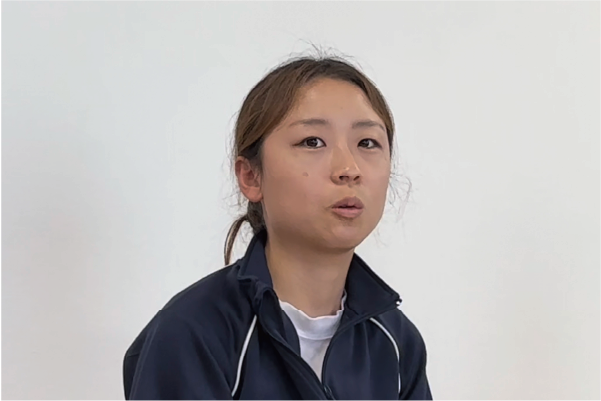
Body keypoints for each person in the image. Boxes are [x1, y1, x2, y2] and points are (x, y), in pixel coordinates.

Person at [123, 55, 433, 400]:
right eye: (312, 141)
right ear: (251, 176)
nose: (349, 169)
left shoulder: (398, 343)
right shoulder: (194, 333)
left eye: (367, 143)